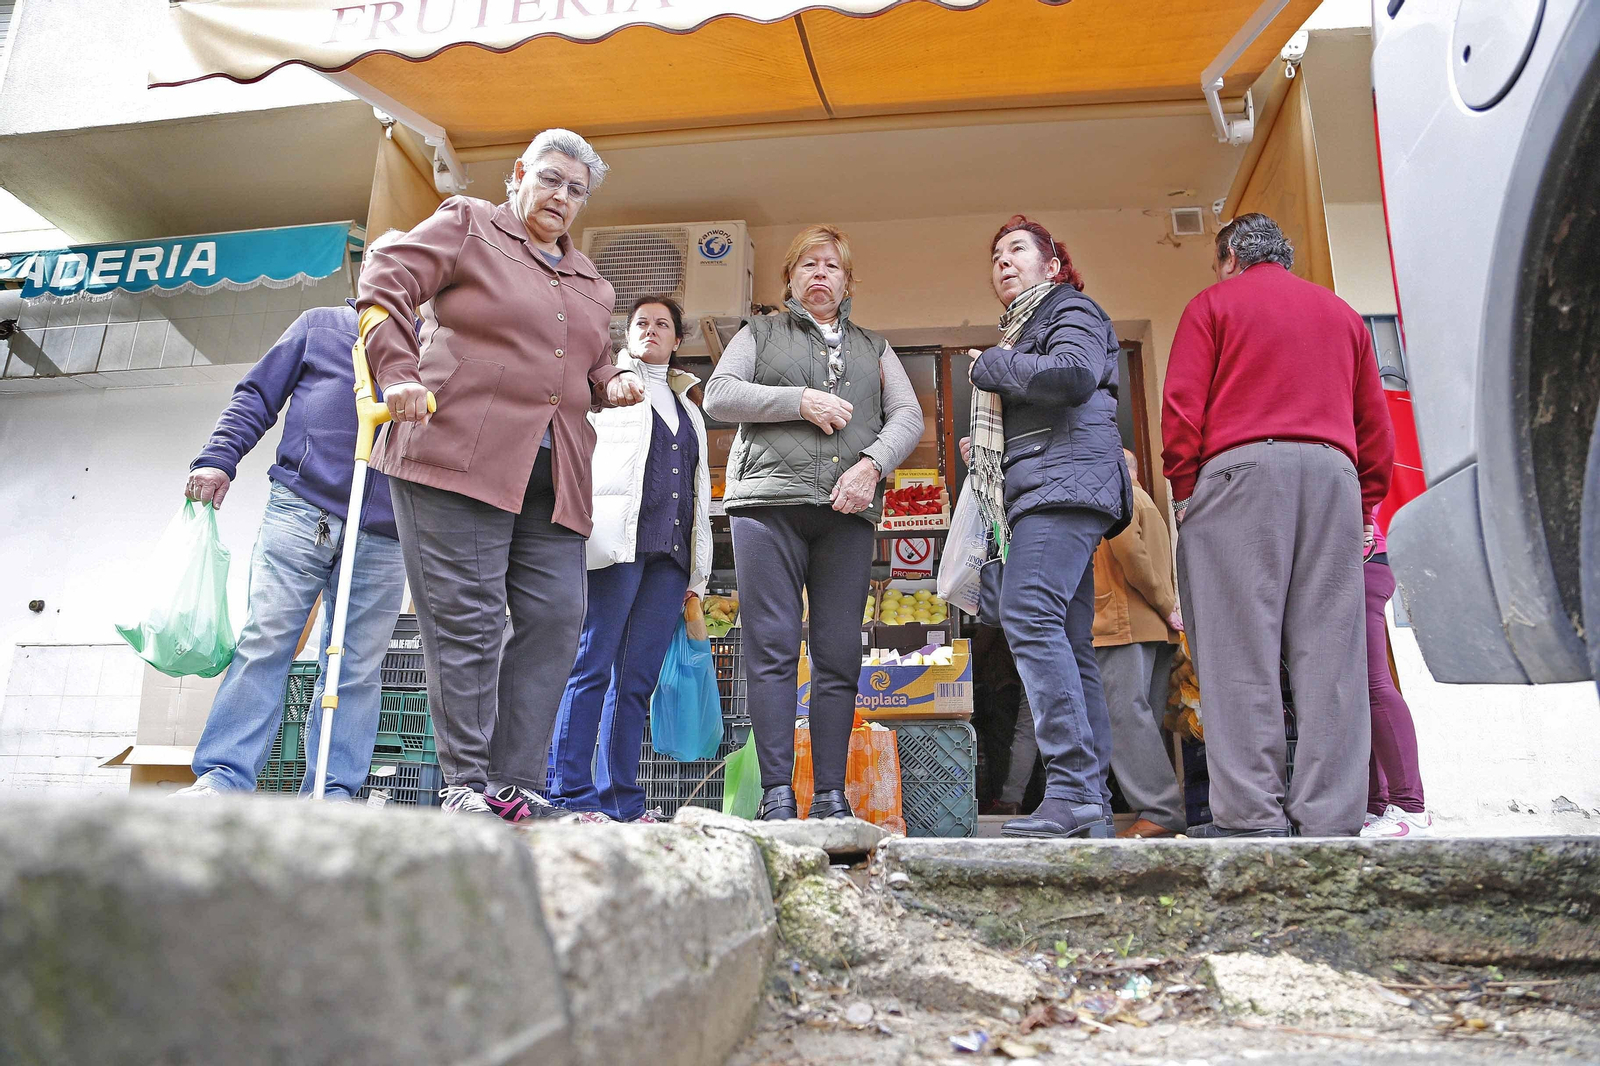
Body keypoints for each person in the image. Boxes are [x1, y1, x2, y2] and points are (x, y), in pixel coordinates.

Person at [360, 129, 645, 819]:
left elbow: (587, 357)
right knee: (470, 621)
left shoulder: (592, 285)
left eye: (576, 190)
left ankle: (516, 785)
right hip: (453, 455)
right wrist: (396, 373)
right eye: (550, 179)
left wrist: (615, 379)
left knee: (555, 618)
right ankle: (465, 784)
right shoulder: (466, 224)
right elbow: (385, 280)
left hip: (553, 478)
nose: (561, 197)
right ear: (520, 173)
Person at [1162, 212, 1394, 838]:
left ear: (1232, 255)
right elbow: (1374, 422)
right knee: (1333, 654)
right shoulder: (1343, 316)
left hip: (1238, 474)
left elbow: (1183, 405)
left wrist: (1186, 490)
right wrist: (1366, 503)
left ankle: (1251, 817)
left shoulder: (1213, 304)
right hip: (1332, 475)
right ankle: (1329, 817)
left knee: (1239, 651)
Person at [170, 230, 411, 800]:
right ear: (364, 270)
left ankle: (333, 792)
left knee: (355, 666)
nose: (394, 273)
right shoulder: (320, 325)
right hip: (302, 509)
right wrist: (218, 459)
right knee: (265, 642)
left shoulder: (434, 354)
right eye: (381, 260)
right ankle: (225, 777)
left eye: (409, 265)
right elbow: (257, 395)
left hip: (386, 532)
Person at [703, 224, 923, 821]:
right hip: (766, 508)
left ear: (848, 281)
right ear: (791, 279)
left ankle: (831, 795)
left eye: (832, 265)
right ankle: (777, 794)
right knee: (770, 648)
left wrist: (872, 466)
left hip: (845, 512)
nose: (820, 274)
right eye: (808, 265)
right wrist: (798, 400)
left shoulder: (875, 348)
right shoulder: (760, 333)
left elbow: (908, 416)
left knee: (836, 655)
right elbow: (718, 395)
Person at [968, 215, 1131, 840]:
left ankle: (1069, 789)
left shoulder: (1071, 310)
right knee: (1067, 636)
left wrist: (993, 368)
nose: (1003, 263)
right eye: (996, 255)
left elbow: (1072, 376)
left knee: (1028, 613)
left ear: (1052, 265)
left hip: (1064, 484)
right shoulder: (1024, 327)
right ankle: (1086, 797)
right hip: (1051, 484)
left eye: (1017, 250)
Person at [548, 296, 713, 822]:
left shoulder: (689, 407)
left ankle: (620, 801)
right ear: (628, 332)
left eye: (662, 324)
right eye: (641, 322)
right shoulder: (608, 386)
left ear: (677, 340)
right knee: (591, 666)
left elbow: (699, 491)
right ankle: (568, 794)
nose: (651, 330)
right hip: (616, 546)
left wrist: (699, 573)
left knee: (636, 682)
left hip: (670, 558)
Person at [1093, 449, 1185, 838]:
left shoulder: (1118, 494)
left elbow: (1130, 554)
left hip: (1125, 624)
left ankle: (1160, 811)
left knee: (1125, 718)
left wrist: (1166, 606)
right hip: (1149, 627)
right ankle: (1159, 810)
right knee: (1141, 717)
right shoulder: (1146, 500)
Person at [1361, 506, 1432, 836]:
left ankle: (1410, 808)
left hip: (1362, 560)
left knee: (1374, 685)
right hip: (1363, 558)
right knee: (1360, 690)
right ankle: (1379, 805)